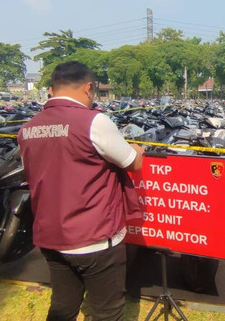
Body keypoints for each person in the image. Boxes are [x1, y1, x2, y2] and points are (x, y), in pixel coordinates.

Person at [18, 61, 144, 321]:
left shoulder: (28, 128)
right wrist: (139, 150)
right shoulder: (94, 121)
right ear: (88, 88)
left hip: (51, 236)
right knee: (107, 311)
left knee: (63, 307)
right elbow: (132, 161)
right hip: (94, 238)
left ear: (52, 90)